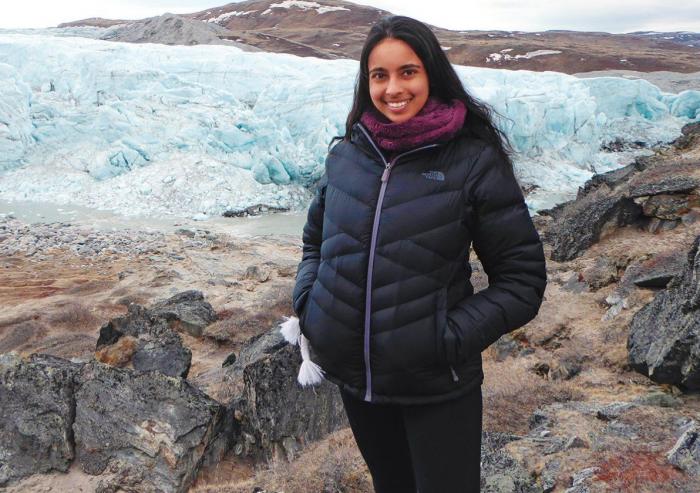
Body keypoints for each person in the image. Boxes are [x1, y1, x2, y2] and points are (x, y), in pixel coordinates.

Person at [289, 15, 547, 493]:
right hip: (357, 381)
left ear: (431, 73)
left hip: (436, 384)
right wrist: (310, 305)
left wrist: (444, 339)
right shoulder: (348, 156)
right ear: (366, 83)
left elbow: (522, 280)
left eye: (408, 72)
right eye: (379, 75)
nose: (393, 89)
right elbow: (315, 242)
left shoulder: (472, 161)